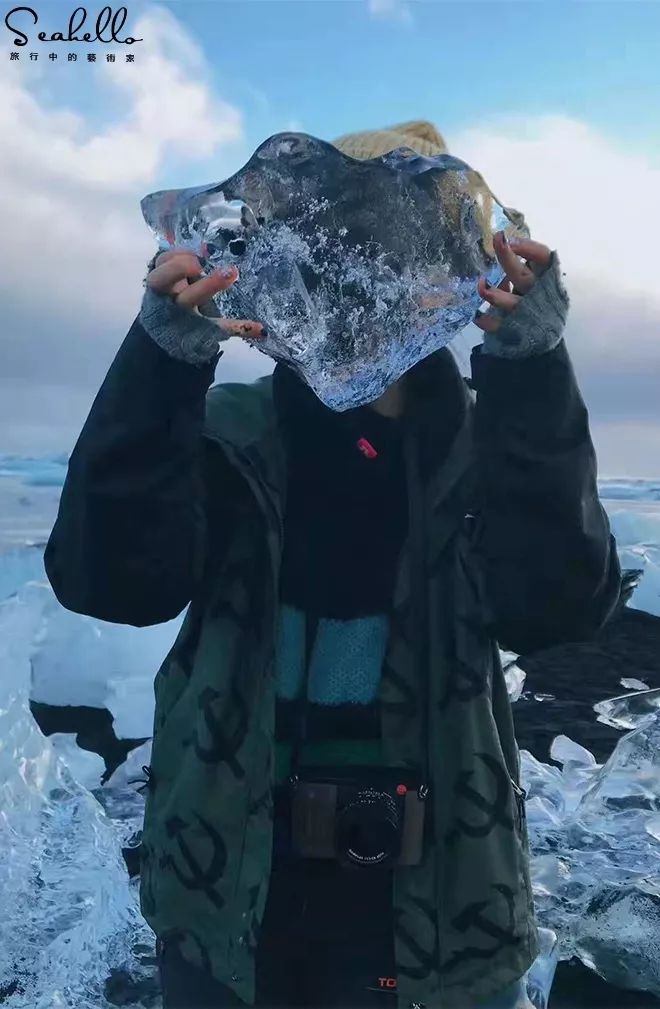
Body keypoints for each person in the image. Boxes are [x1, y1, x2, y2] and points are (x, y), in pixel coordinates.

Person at [45, 121, 621, 1009]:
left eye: (378, 238)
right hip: (228, 894)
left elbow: (555, 608)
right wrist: (160, 362)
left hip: (444, 903)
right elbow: (110, 582)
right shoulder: (228, 434)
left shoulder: (488, 443)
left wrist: (535, 370)